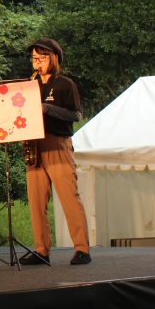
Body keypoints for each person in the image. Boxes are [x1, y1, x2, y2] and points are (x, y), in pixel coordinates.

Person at [19, 38, 92, 266]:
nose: (37, 62)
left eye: (41, 58)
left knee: (69, 198)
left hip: (57, 143)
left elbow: (75, 115)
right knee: (36, 202)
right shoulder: (29, 85)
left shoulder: (65, 84)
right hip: (33, 145)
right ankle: (41, 250)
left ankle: (82, 249)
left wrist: (47, 108)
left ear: (54, 59)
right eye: (34, 58)